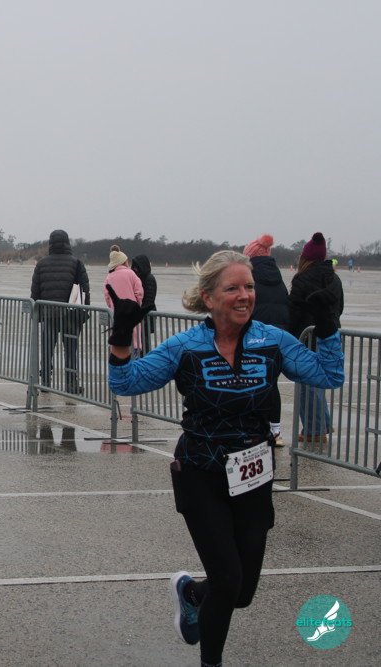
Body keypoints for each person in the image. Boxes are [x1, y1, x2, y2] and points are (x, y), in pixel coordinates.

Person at [107, 250, 343, 667]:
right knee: (228, 578)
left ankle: (192, 594)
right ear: (209, 297)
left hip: (254, 475)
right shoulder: (186, 346)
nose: (244, 295)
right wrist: (121, 336)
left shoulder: (273, 341)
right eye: (232, 288)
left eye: (249, 287)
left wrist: (328, 328)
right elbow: (126, 383)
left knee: (242, 592)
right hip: (201, 473)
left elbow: (328, 375)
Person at [288, 233, 344, 443]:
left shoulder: (302, 279)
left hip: (307, 336)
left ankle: (315, 429)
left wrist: (290, 333)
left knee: (307, 383)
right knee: (321, 379)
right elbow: (340, 307)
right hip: (330, 334)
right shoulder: (335, 278)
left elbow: (293, 310)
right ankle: (323, 422)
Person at [243, 234, 290, 446]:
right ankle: (276, 430)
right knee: (271, 384)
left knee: (249, 384)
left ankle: (253, 429)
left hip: (253, 337)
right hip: (277, 338)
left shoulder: (250, 279)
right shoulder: (279, 280)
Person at [29, 229, 90, 394]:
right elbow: (84, 290)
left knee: (47, 349)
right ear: (67, 242)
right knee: (70, 350)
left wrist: (37, 313)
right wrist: (84, 313)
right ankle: (70, 382)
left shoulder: (42, 264)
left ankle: (45, 381)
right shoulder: (76, 263)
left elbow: (35, 291)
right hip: (70, 315)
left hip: (49, 313)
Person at [103, 245, 144, 357]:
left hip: (117, 315)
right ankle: (134, 359)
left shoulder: (109, 277)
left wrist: (112, 306)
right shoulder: (131, 274)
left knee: (118, 345)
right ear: (124, 262)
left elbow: (107, 296)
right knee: (134, 343)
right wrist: (137, 304)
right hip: (132, 315)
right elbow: (139, 292)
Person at [131, 254, 158, 353]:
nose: (134, 269)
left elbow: (149, 300)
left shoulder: (149, 279)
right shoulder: (139, 278)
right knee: (140, 341)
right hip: (141, 316)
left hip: (146, 317)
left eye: (136, 267)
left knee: (144, 341)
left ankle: (144, 359)